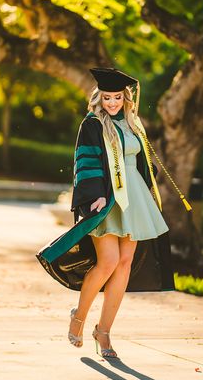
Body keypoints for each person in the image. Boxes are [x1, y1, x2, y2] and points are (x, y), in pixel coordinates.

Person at [36, 67, 175, 359]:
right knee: (108, 261)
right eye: (107, 97)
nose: (112, 103)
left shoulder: (133, 123)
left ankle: (104, 331)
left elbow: (140, 161)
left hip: (134, 198)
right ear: (99, 98)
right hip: (108, 199)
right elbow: (85, 161)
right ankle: (79, 316)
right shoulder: (93, 124)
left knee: (124, 263)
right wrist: (94, 195)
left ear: (126, 98)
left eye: (117, 98)